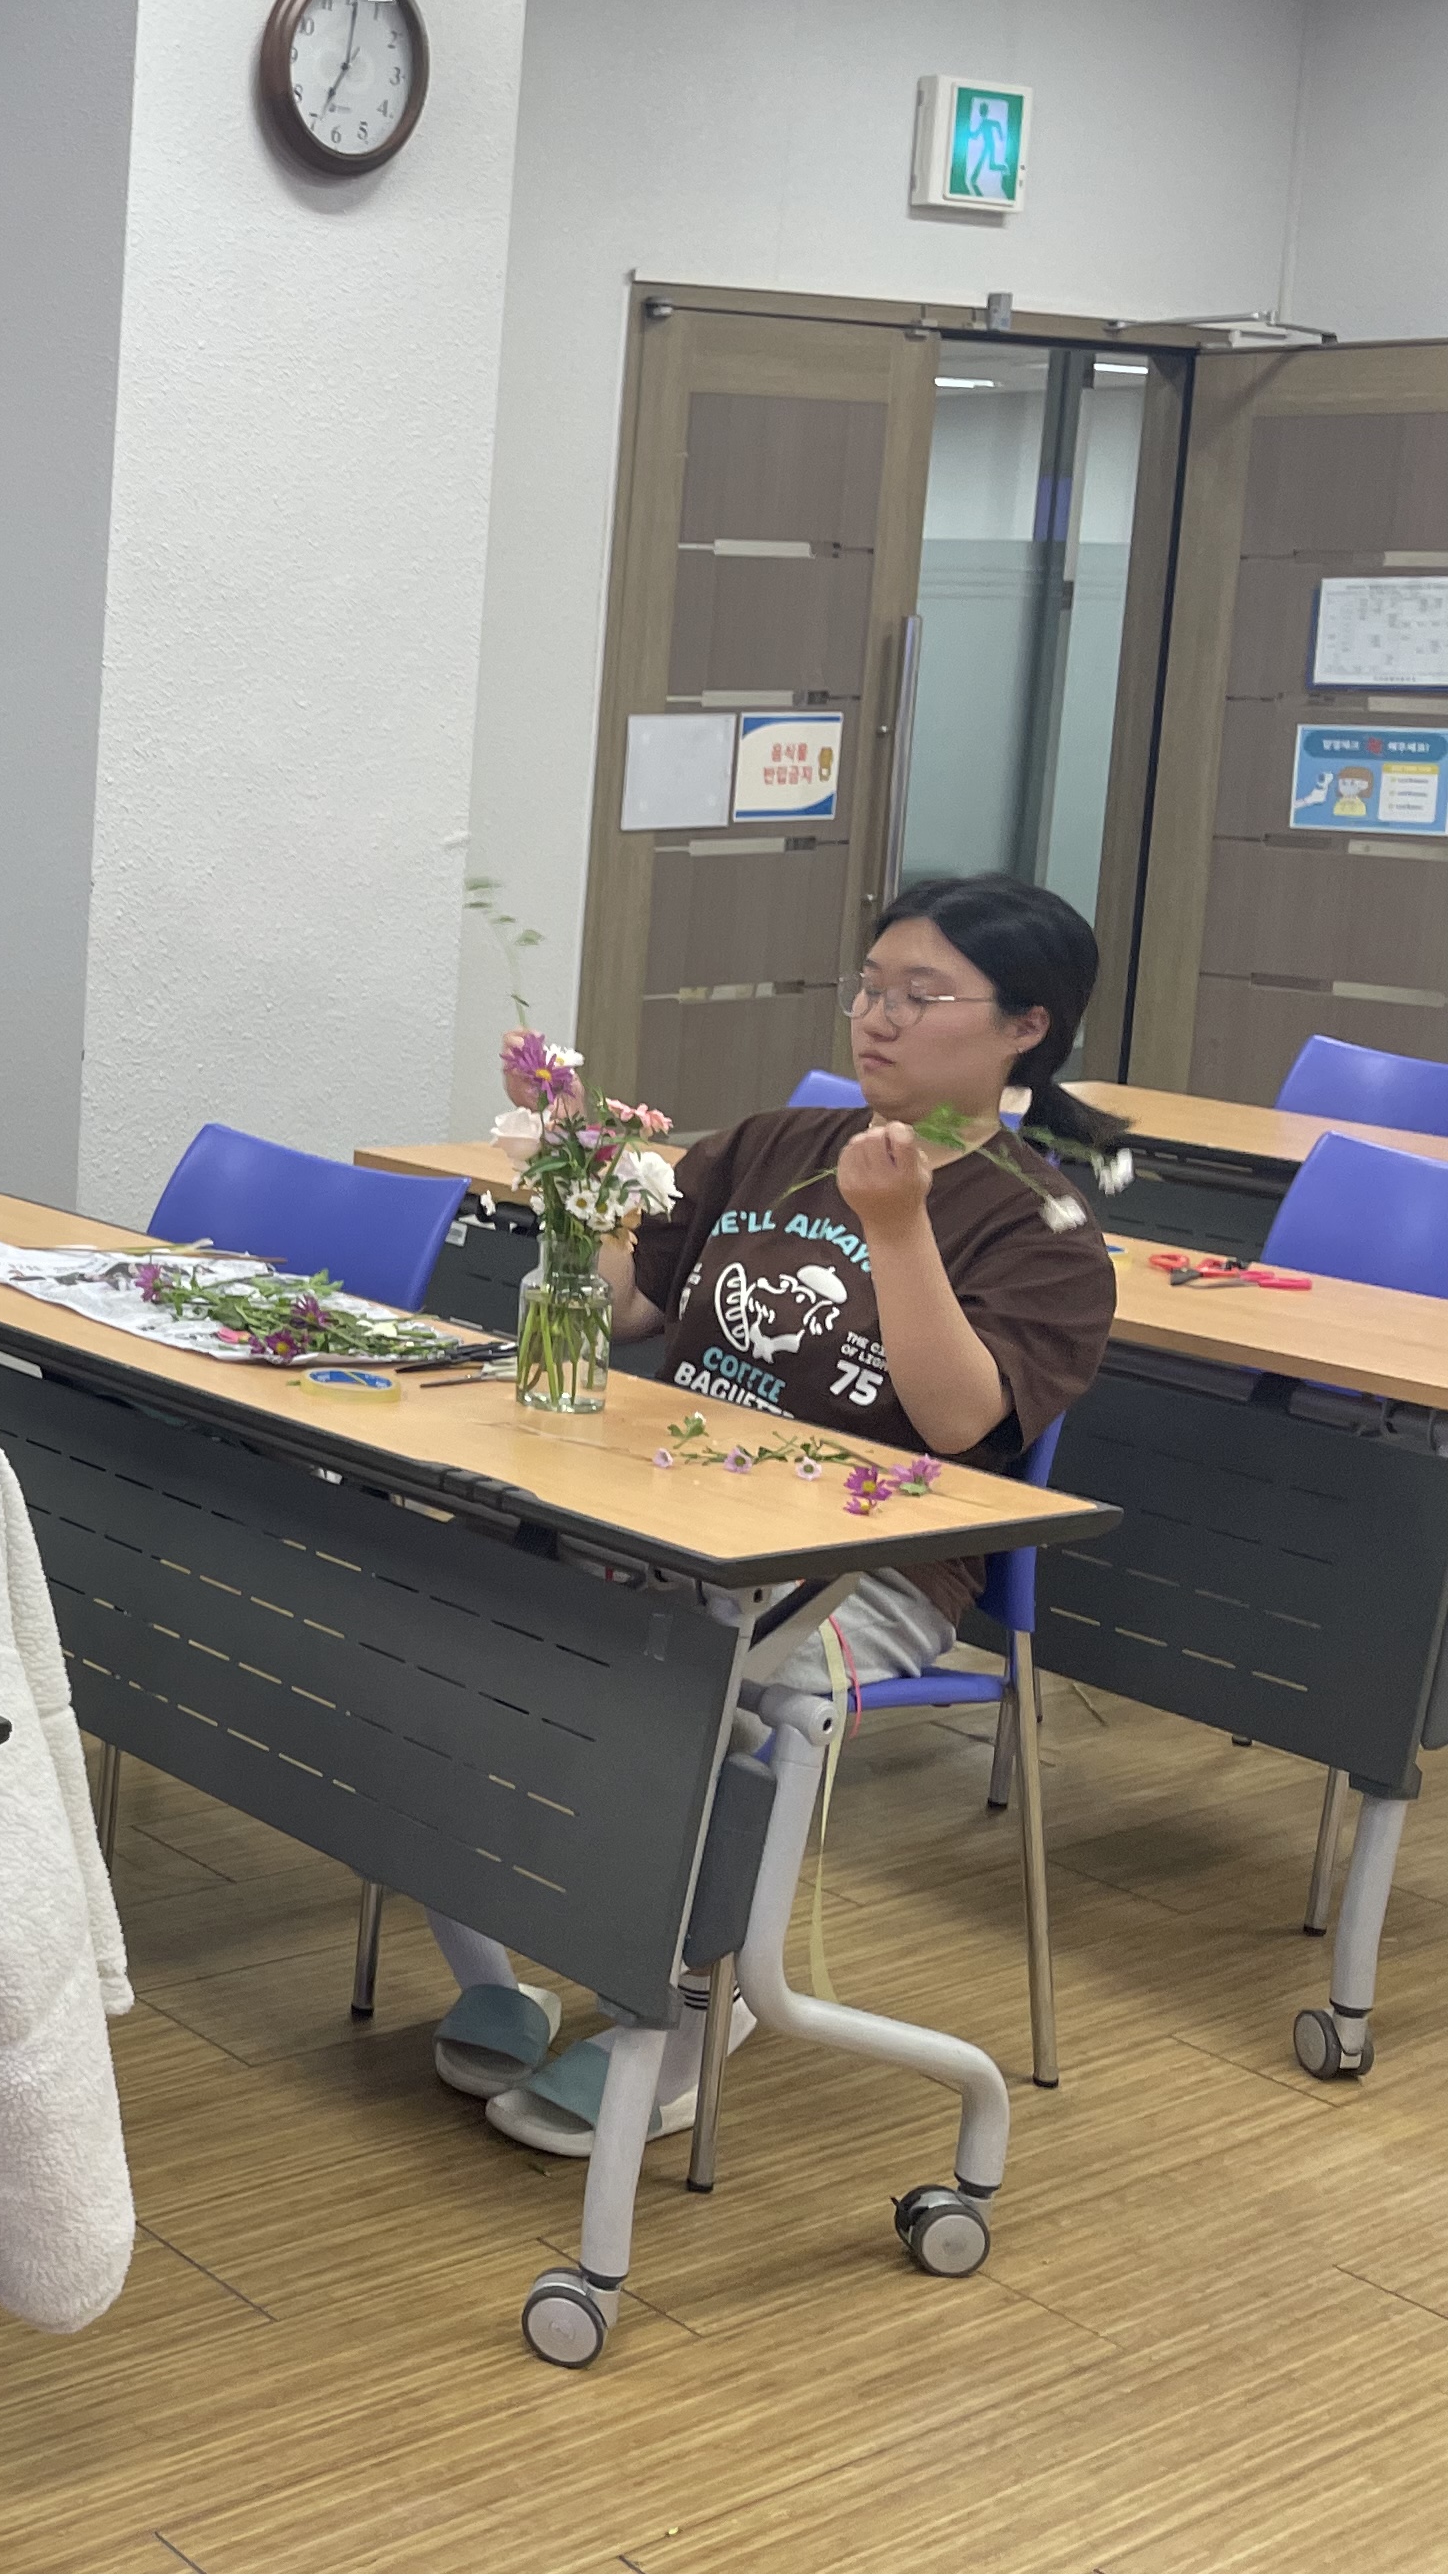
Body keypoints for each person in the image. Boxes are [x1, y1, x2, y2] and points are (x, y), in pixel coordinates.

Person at [430, 876, 1127, 2155]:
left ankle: (686, 2014)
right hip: (663, 1511)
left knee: (711, 1686)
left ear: (1026, 1027)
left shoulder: (1047, 1224)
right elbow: (631, 1309)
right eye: (871, 988)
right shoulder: (769, 1143)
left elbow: (959, 1421)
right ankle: (490, 1969)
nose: (879, 1019)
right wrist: (582, 1198)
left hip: (866, 1571)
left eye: (923, 996)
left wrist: (897, 1228)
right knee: (446, 1602)